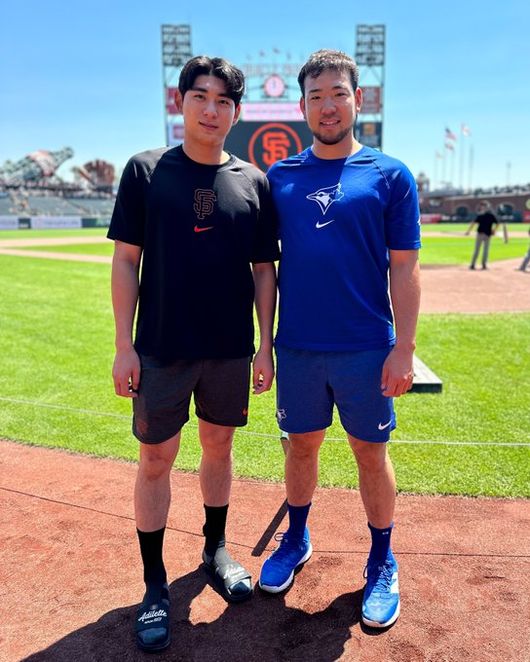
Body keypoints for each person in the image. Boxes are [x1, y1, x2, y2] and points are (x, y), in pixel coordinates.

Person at [108, 55, 279, 653]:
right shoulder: (146, 170)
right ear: (180, 102)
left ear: (236, 111)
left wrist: (264, 345)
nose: (212, 109)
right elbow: (126, 259)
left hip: (229, 348)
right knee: (156, 458)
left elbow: (265, 270)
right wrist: (123, 345)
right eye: (200, 97)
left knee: (219, 446)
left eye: (224, 100)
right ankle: (155, 584)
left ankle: (215, 549)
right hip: (160, 348)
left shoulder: (253, 181)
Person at [258, 50, 421, 630]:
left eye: (338, 94)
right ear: (302, 106)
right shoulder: (280, 179)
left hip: (364, 347)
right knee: (300, 447)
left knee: (369, 453)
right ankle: (296, 537)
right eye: (316, 96)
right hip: (298, 346)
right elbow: (264, 268)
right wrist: (264, 343)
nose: (328, 106)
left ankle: (382, 559)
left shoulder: (389, 175)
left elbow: (404, 268)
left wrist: (403, 347)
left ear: (358, 100)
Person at [465, 201, 498, 269]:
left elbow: (473, 223)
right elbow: (497, 224)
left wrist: (468, 231)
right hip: (486, 234)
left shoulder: (481, 215)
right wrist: (494, 230)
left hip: (482, 234)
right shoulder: (490, 215)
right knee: (483, 250)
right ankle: (482, 265)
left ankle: (474, 264)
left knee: (479, 250)